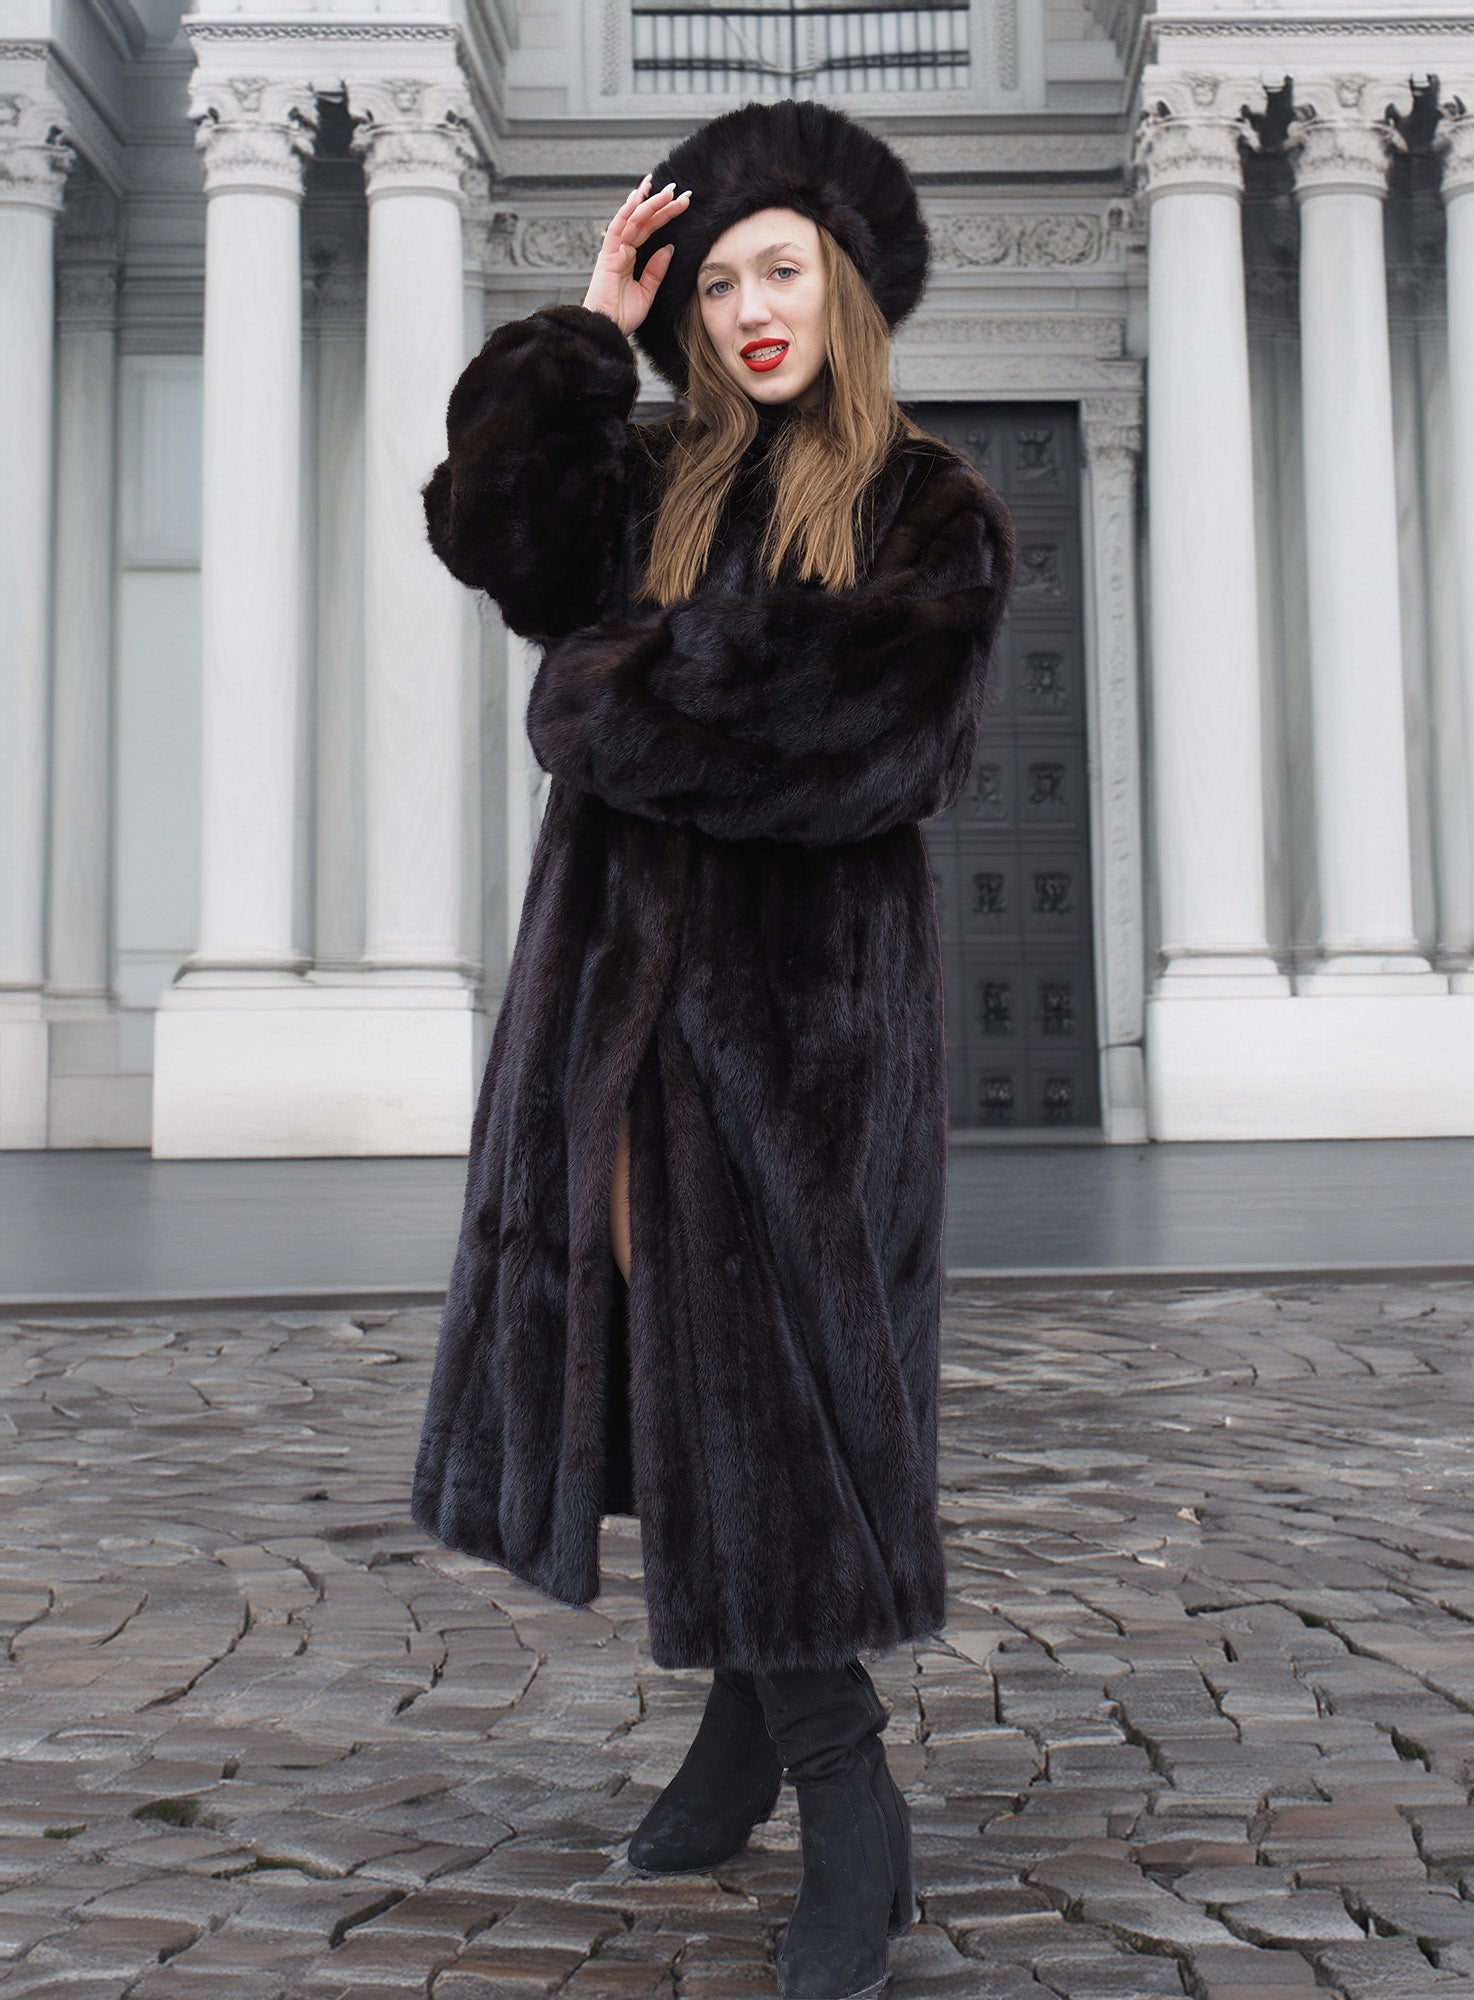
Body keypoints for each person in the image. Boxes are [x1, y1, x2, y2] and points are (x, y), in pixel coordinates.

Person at [412, 97, 1018, 2000]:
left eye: (787, 275)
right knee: (654, 1381)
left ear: (843, 293)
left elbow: (843, 747)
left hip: (796, 1065)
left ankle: (847, 1793)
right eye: (723, 279)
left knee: (766, 1405)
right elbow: (496, 536)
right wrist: (584, 332)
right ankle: (742, 1733)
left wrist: (602, 688)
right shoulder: (659, 475)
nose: (756, 311)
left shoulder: (932, 511)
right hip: (606, 1028)